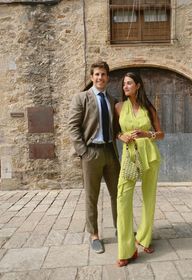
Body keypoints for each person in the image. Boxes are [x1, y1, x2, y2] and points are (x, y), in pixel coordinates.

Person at [68, 60, 120, 254]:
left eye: (103, 74)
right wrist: (84, 152)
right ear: (92, 77)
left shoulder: (112, 100)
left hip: (111, 152)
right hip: (91, 153)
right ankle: (94, 235)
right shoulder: (81, 98)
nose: (100, 78)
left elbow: (116, 128)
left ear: (108, 77)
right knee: (92, 196)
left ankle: (120, 229)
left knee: (118, 194)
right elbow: (73, 127)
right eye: (97, 74)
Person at [115, 72, 164, 267]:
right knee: (123, 198)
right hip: (129, 156)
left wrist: (147, 134)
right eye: (124, 84)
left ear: (138, 86)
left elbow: (161, 134)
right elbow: (114, 131)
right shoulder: (118, 107)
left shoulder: (148, 107)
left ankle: (143, 238)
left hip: (150, 156)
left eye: (129, 83)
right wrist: (121, 136)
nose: (125, 87)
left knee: (149, 197)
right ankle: (126, 249)